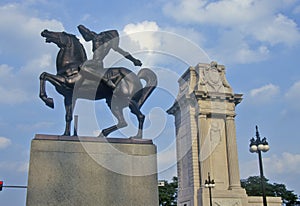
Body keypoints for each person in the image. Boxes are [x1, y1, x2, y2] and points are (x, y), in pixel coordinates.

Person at [77, 25, 142, 89]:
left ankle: (106, 80)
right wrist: (134, 60)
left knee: (81, 67)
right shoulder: (99, 38)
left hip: (96, 63)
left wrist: (134, 60)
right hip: (98, 63)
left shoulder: (97, 38)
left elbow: (81, 27)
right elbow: (123, 53)